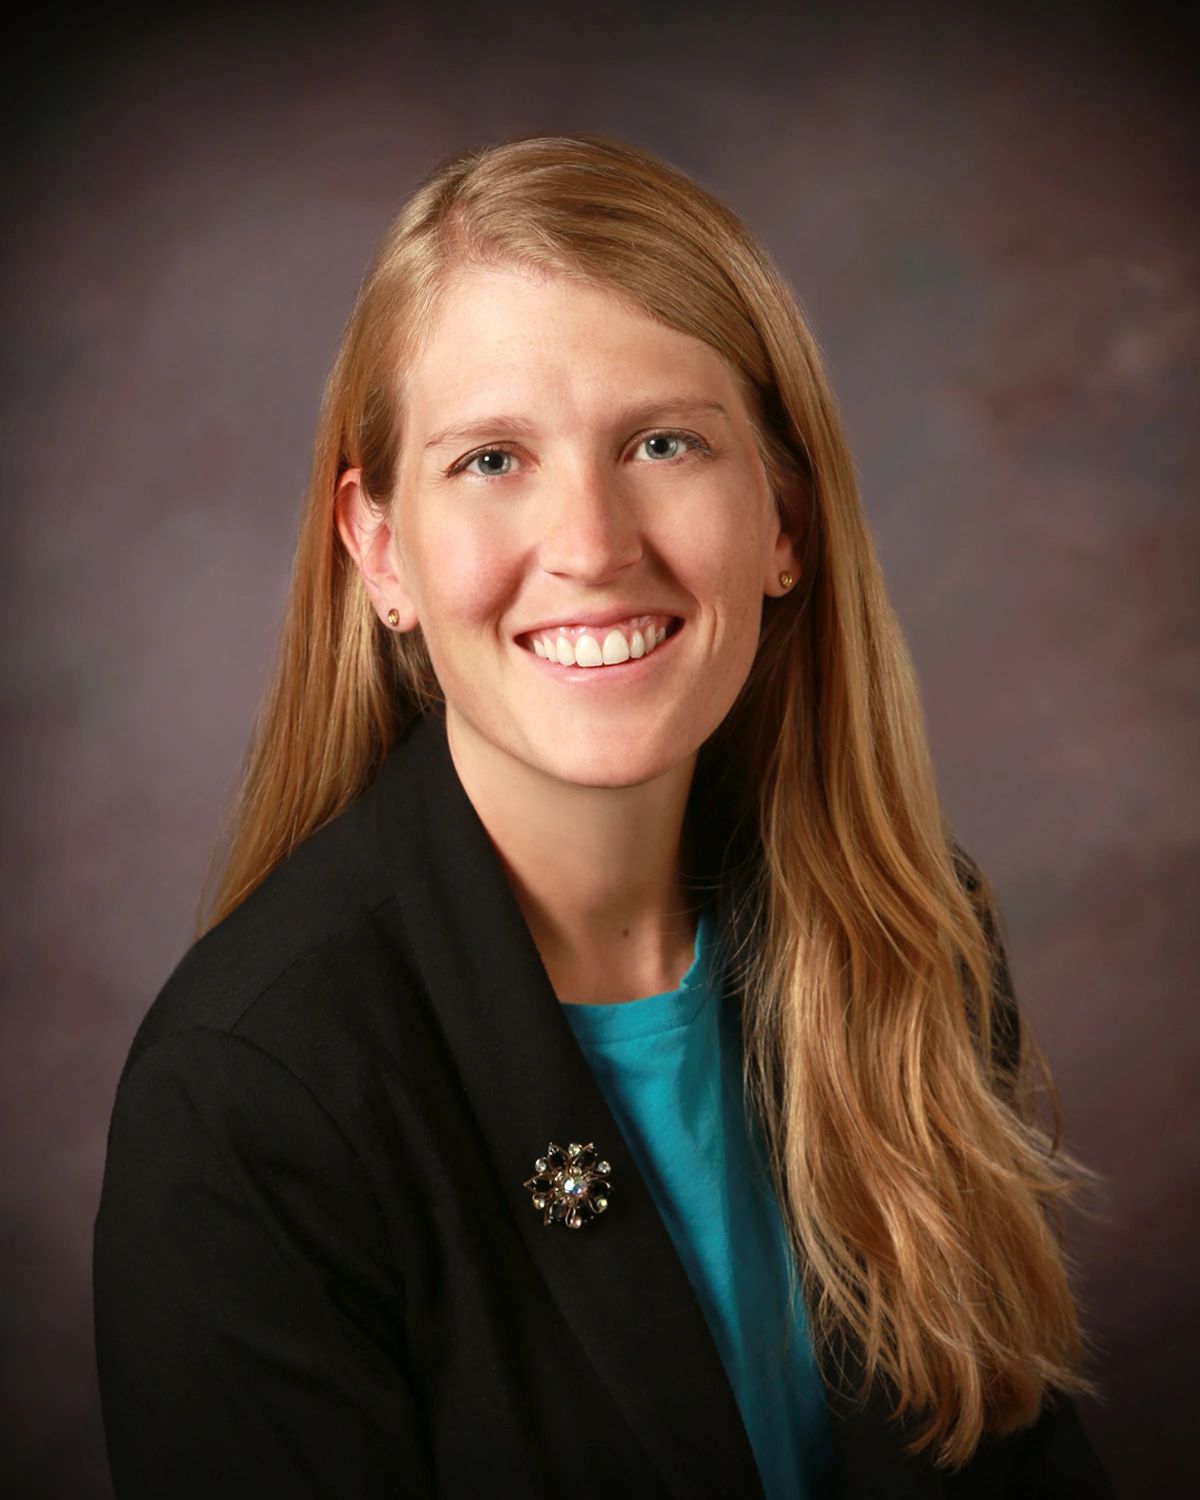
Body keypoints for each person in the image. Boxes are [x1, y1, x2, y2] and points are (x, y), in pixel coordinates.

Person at [92, 132, 1115, 1498]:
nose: (591, 542)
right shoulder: (249, 1096)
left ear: (785, 522)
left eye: (664, 440)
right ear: (381, 550)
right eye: (492, 460)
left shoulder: (914, 936)